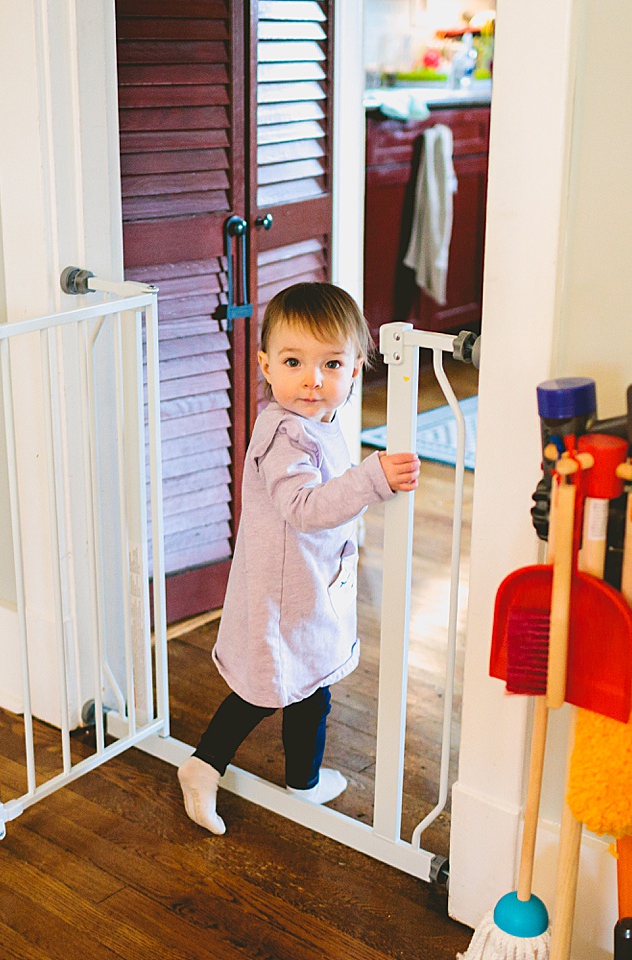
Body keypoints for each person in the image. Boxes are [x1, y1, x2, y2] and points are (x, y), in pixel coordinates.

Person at [177, 282, 420, 835]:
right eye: (294, 361)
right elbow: (305, 507)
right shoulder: (284, 435)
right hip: (281, 591)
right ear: (265, 365)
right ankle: (202, 766)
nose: (313, 379)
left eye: (330, 362)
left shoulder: (322, 420)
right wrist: (371, 479)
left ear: (355, 368)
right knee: (265, 689)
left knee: (314, 685)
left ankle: (303, 781)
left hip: (309, 580)